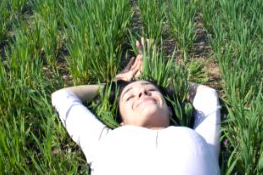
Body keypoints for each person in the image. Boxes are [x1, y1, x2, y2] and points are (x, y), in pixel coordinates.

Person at [51, 38, 221, 175]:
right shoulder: (103, 141)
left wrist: (162, 75)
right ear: (122, 122)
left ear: (169, 108)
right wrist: (114, 85)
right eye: (129, 96)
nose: (142, 93)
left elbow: (208, 96)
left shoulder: (203, 141)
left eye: (151, 90)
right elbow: (62, 96)